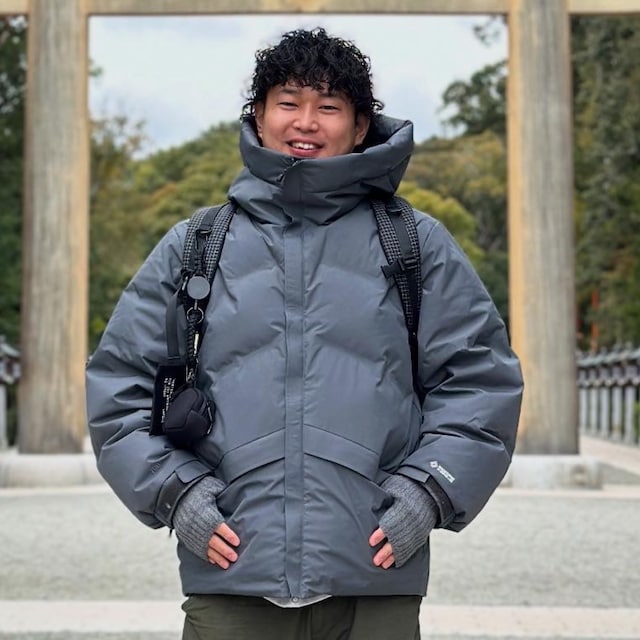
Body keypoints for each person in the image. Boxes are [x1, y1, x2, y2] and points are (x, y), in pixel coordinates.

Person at [86, 27, 523, 640]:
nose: (306, 122)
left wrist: (428, 492)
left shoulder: (414, 244)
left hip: (374, 575)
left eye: (329, 106)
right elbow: (120, 389)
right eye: (288, 102)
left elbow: (479, 382)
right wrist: (176, 494)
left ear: (361, 125)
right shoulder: (197, 245)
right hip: (232, 576)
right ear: (258, 116)